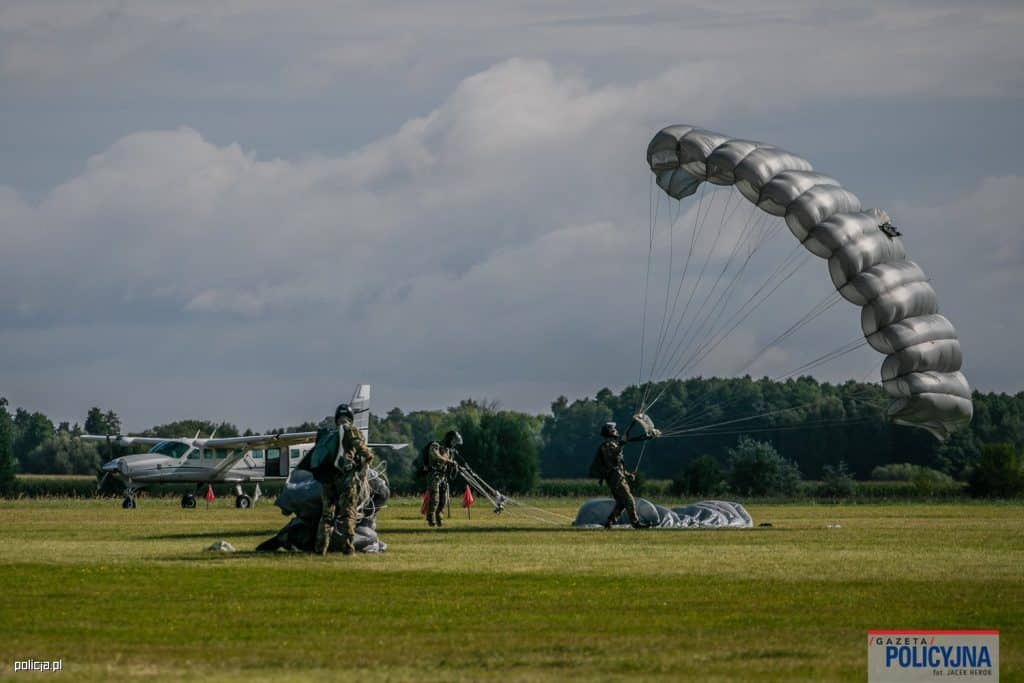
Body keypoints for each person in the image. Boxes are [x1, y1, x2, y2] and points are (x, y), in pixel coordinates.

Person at [314, 403, 375, 555]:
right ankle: (348, 548)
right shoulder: (351, 431)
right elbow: (363, 451)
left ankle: (320, 549)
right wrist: (366, 461)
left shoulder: (326, 434)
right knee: (348, 514)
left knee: (327, 516)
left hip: (328, 479)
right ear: (350, 418)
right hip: (346, 479)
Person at [596, 421, 645, 529]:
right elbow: (614, 456)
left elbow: (618, 465)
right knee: (629, 499)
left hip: (618, 477)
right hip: (615, 479)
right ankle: (636, 523)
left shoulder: (612, 445)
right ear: (611, 432)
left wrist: (628, 474)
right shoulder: (607, 445)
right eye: (615, 430)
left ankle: (609, 523)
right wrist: (622, 443)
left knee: (621, 503)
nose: (617, 431)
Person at [424, 430, 461, 527]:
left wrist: (453, 465)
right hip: (433, 476)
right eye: (453, 442)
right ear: (449, 439)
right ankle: (431, 520)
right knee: (434, 498)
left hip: (443, 477)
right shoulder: (435, 445)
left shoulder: (448, 450)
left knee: (443, 500)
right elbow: (436, 456)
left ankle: (439, 518)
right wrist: (449, 461)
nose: (454, 445)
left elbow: (448, 462)